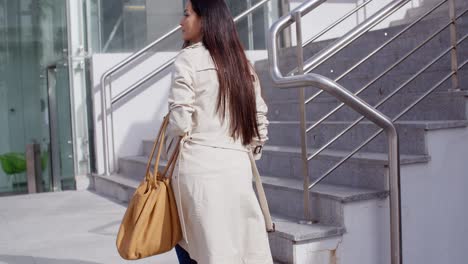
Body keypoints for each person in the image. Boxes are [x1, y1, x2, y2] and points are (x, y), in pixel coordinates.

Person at [164, 0, 273, 263]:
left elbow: (180, 122)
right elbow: (259, 125)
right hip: (237, 169)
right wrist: (240, 153)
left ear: (205, 19)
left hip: (197, 171)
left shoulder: (188, 59)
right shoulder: (242, 62)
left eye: (186, 14)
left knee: (193, 246)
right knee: (239, 251)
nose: (181, 22)